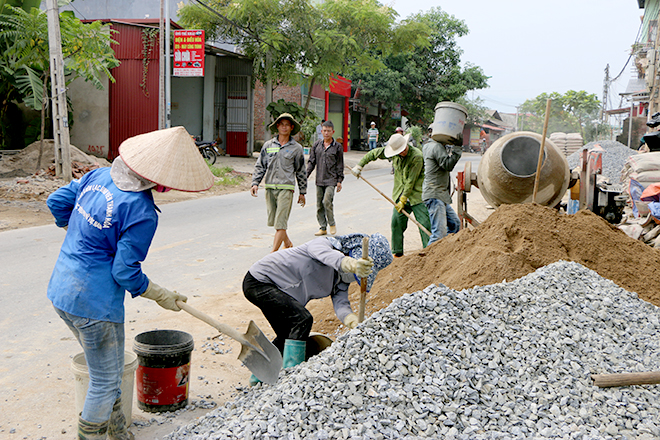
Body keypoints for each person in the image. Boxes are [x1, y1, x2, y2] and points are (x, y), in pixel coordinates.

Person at [46, 126, 214, 440]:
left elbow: (56, 201)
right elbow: (124, 274)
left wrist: (78, 232)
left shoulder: (98, 176)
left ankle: (118, 432)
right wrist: (160, 294)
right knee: (105, 380)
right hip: (94, 305)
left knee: (105, 369)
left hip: (61, 290)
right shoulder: (142, 211)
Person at [243, 233, 393, 385]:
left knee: (286, 334)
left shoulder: (339, 280)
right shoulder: (323, 244)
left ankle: (257, 378)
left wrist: (351, 320)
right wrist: (351, 264)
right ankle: (291, 379)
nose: (352, 277)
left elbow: (341, 304)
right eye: (354, 273)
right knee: (302, 320)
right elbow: (327, 256)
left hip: (276, 290)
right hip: (259, 281)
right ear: (350, 253)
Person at [351, 133, 432, 257]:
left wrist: (404, 199)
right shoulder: (393, 154)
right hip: (399, 195)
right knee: (396, 223)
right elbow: (374, 153)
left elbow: (411, 180)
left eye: (404, 149)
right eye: (400, 151)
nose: (403, 152)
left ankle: (429, 252)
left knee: (424, 224)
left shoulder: (417, 156)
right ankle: (398, 253)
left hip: (417, 196)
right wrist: (360, 165)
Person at [251, 113, 307, 252]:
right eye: (281, 124)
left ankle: (272, 254)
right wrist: (255, 183)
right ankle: (287, 243)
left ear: (291, 127)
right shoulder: (268, 145)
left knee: (281, 223)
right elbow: (260, 165)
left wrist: (302, 192)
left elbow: (301, 171)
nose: (284, 127)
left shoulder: (296, 148)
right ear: (277, 126)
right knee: (276, 222)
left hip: (286, 188)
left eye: (287, 125)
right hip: (270, 187)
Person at [422, 134, 462, 245]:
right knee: (438, 234)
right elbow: (448, 165)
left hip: (439, 194)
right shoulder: (436, 147)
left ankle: (445, 253)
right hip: (435, 194)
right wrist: (457, 149)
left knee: (455, 224)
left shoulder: (428, 146)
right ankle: (428, 260)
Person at [307, 120, 344, 236]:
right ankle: (322, 227)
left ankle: (332, 223)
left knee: (327, 201)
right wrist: (305, 176)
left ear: (333, 132)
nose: (326, 133)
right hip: (319, 179)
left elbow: (340, 164)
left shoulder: (337, 147)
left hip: (331, 180)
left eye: (329, 131)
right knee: (319, 205)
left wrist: (339, 181)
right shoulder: (316, 145)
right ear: (321, 131)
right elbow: (311, 162)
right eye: (324, 131)